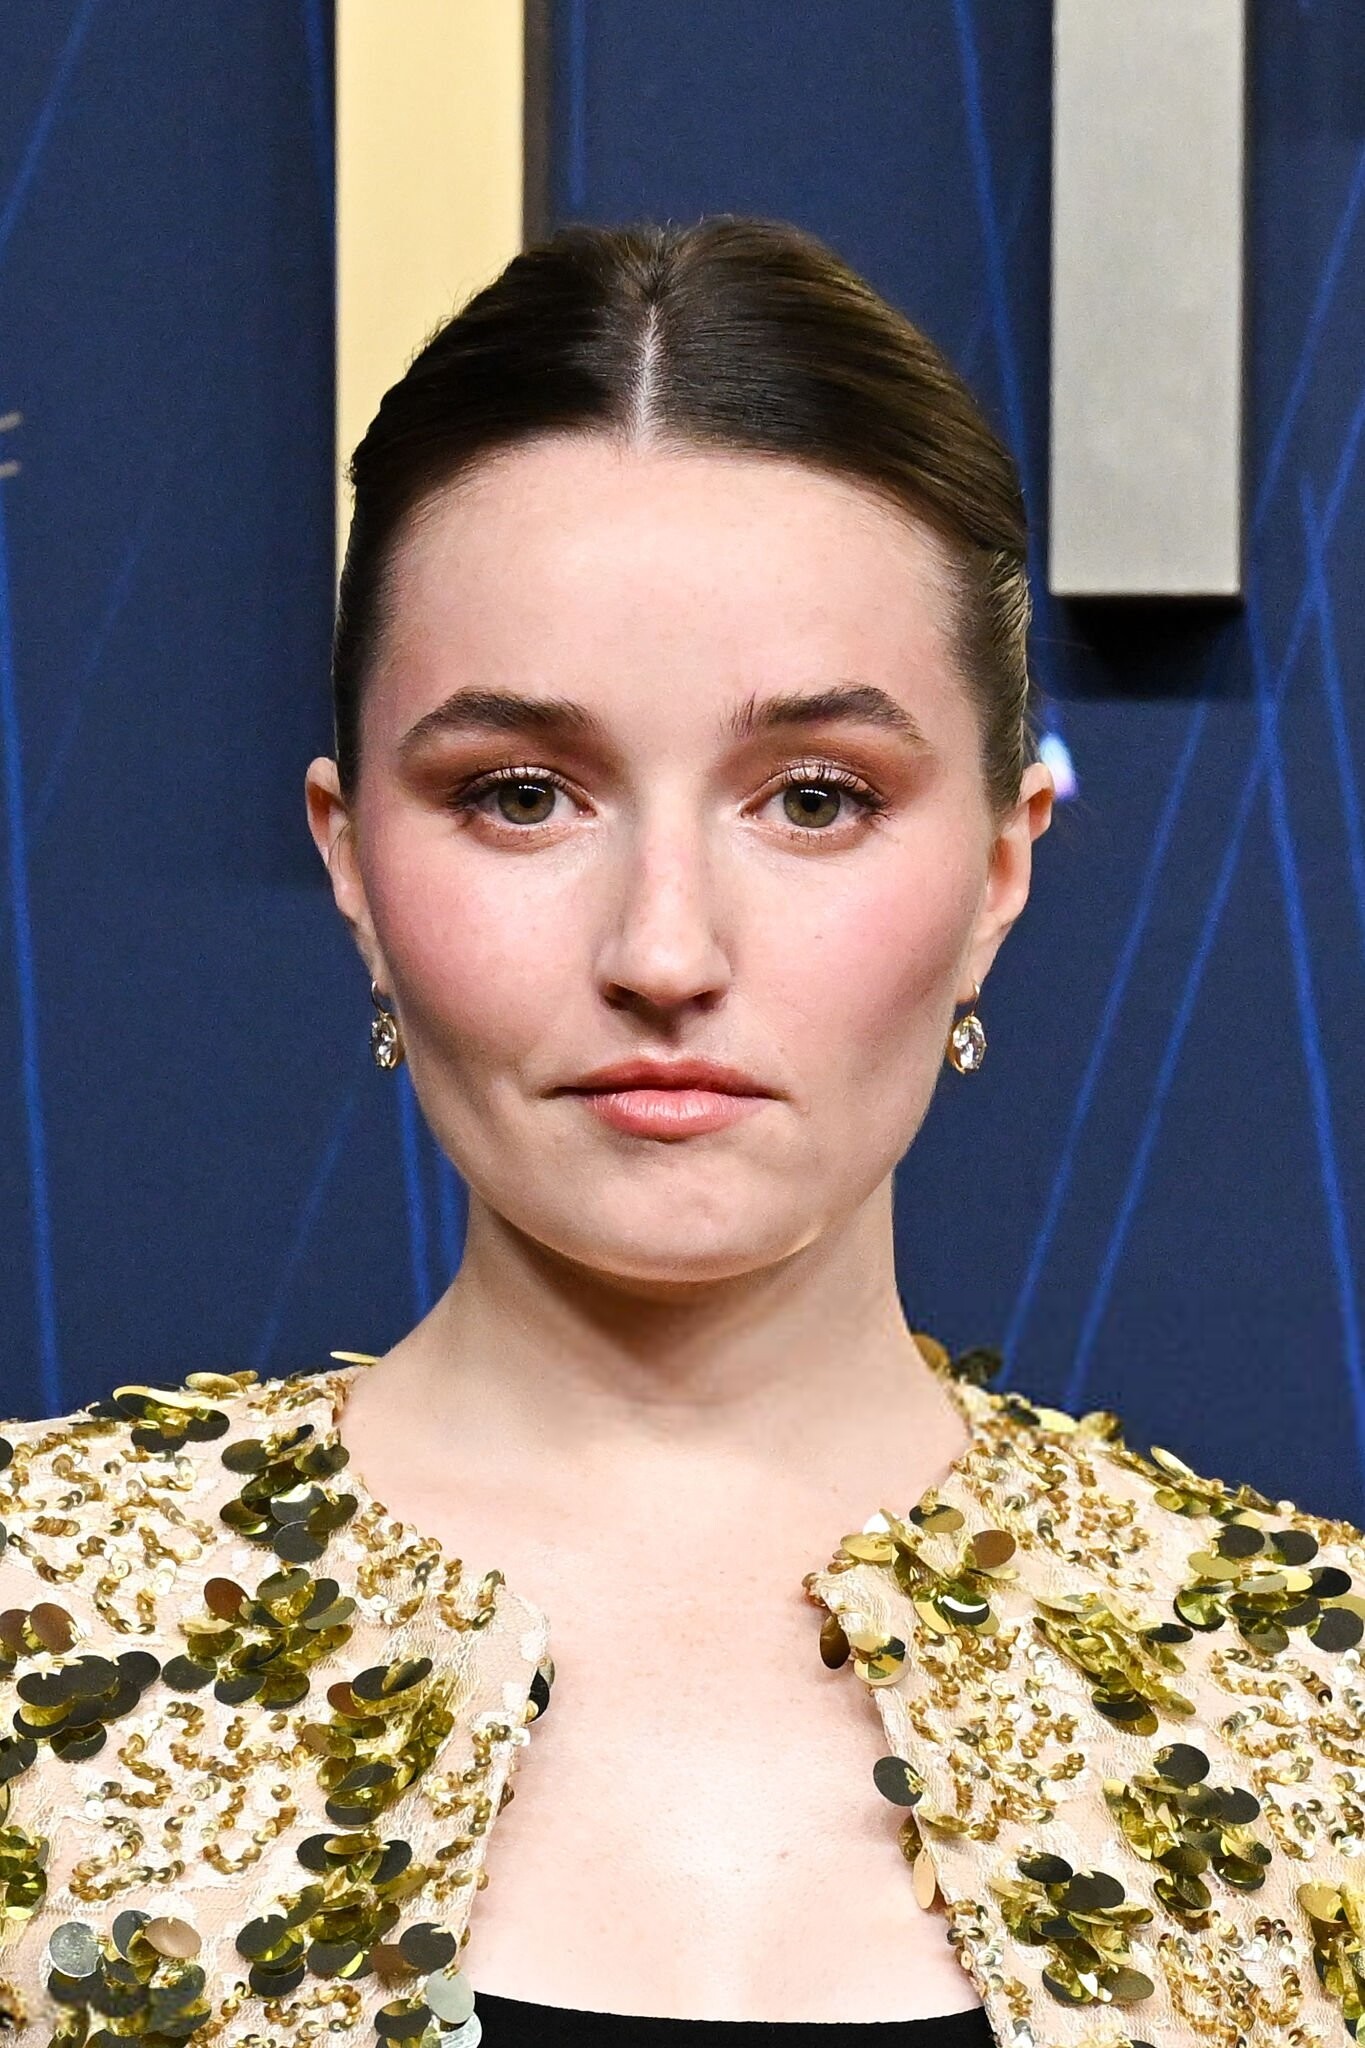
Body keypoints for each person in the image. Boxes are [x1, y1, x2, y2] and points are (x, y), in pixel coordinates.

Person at [1, 218, 1361, 2048]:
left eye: (813, 799)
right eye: (519, 796)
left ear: (997, 869)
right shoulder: (27, 1618)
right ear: (351, 859)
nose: (662, 952)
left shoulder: (1321, 1702)